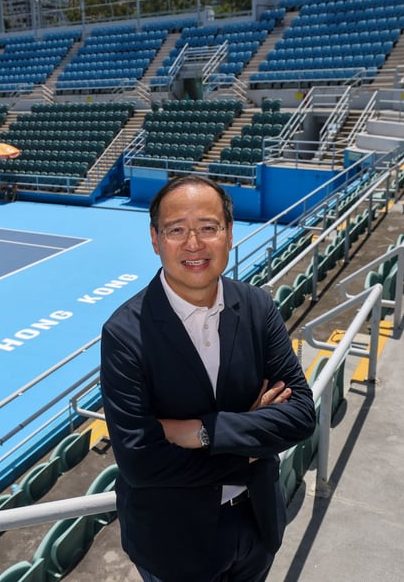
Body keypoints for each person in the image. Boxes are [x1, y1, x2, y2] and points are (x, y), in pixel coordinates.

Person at [100, 175, 317, 582]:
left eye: (208, 228)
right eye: (176, 230)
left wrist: (202, 432)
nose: (194, 244)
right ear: (155, 239)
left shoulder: (257, 307)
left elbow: (302, 414)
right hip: (173, 545)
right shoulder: (124, 333)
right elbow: (141, 464)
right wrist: (252, 447)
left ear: (229, 235)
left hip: (257, 526)